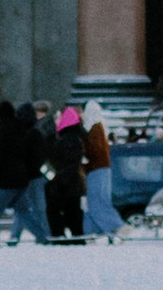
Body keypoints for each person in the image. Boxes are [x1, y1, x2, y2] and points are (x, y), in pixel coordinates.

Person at [0, 101, 51, 244]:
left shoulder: (0, 131)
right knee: (24, 212)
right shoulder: (23, 131)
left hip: (3, 181)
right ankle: (43, 237)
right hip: (20, 180)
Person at [82, 102, 124, 237]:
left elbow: (95, 150)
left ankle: (116, 226)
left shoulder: (94, 128)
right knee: (99, 201)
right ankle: (91, 229)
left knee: (97, 202)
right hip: (103, 169)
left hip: (96, 169)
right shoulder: (101, 127)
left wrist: (84, 157)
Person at [47, 106, 87, 242]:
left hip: (63, 184)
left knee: (56, 211)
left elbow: (65, 162)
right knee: (73, 213)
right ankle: (77, 238)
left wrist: (56, 179)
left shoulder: (66, 140)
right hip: (72, 184)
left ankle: (60, 238)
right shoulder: (76, 138)